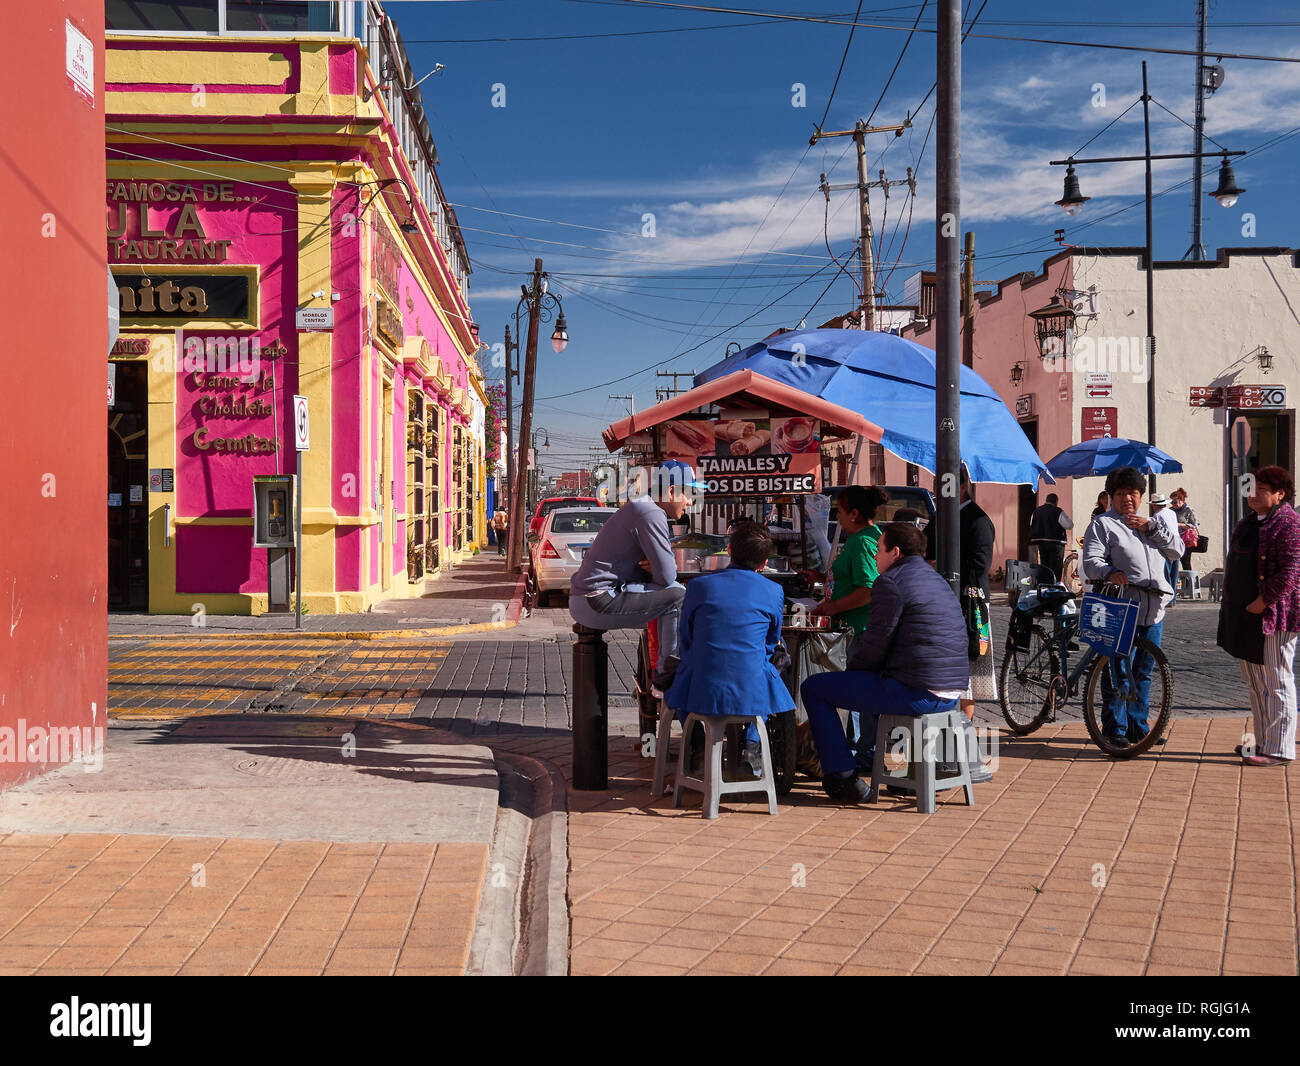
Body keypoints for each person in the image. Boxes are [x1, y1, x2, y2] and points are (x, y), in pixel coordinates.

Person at [800, 522, 970, 803]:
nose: (876, 556)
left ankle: (843, 777)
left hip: (918, 692)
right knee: (871, 686)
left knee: (815, 688)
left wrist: (852, 677)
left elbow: (875, 644)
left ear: (896, 553)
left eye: (879, 550)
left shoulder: (890, 582)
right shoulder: (936, 580)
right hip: (952, 692)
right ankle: (911, 774)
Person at [665, 522, 794, 777]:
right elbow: (771, 642)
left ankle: (698, 746)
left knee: (678, 680)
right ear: (763, 562)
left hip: (702, 684)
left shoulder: (699, 586)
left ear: (729, 549)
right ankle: (752, 746)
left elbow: (686, 638)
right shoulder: (774, 590)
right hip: (750, 685)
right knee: (771, 671)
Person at [569, 461, 696, 692]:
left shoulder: (643, 507)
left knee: (667, 600)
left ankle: (657, 673)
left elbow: (661, 574)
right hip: (596, 600)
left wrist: (656, 568)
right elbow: (667, 577)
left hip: (589, 598)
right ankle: (666, 681)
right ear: (671, 491)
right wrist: (658, 568)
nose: (690, 502)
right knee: (678, 596)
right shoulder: (650, 513)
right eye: (688, 493)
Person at [1081, 466, 1182, 749]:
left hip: (1154, 608)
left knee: (1145, 671)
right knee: (1118, 670)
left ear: (1141, 497)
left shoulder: (1150, 524)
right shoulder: (1103, 524)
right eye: (1122, 493)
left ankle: (1140, 727)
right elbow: (1091, 562)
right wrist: (1109, 571)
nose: (1128, 499)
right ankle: (1116, 728)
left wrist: (1150, 527)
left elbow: (1176, 551)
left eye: (1133, 493)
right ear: (1110, 497)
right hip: (1121, 607)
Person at [1218, 465, 1300, 766]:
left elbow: (1293, 572)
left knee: (1277, 680)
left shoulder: (1290, 524)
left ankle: (1279, 749)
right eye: (1250, 487)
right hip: (1244, 615)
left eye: (1261, 489)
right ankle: (1262, 742)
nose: (1252, 493)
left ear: (1280, 494)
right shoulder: (1249, 522)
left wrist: (1264, 599)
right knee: (1256, 682)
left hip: (1274, 616)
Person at [811, 485, 888, 635]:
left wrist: (835, 607)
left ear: (854, 514)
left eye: (839, 512)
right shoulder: (858, 539)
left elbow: (868, 589)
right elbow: (852, 576)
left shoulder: (863, 542)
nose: (837, 517)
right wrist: (821, 578)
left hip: (857, 631)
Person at [1149, 493, 1186, 606]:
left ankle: (1168, 598)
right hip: (1177, 544)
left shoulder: (1157, 516)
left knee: (1166, 574)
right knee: (1174, 575)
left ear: (1155, 505)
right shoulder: (1171, 513)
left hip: (1166, 547)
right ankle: (1173, 598)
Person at [1029, 492, 1072, 580]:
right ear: (1056, 502)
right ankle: (1054, 586)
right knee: (1056, 567)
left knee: (1045, 565)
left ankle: (1045, 585)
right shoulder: (1058, 511)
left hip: (1041, 543)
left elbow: (1031, 523)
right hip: (1056, 543)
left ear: (1046, 500)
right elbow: (1069, 525)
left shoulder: (1037, 511)